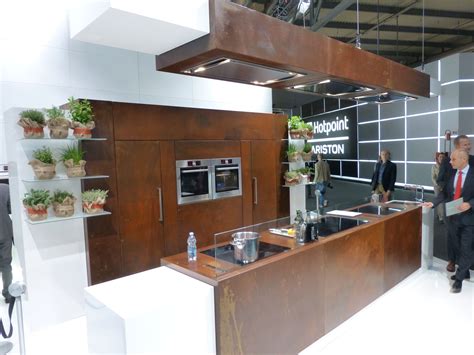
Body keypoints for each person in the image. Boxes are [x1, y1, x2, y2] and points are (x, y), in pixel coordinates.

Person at [423, 149, 474, 293]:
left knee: (466, 247)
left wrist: (470, 204)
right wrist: (433, 204)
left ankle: (459, 280)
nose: (449, 162)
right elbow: (444, 194)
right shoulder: (452, 174)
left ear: (463, 159)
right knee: (457, 246)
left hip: (469, 218)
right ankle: (465, 271)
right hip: (453, 217)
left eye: (453, 159)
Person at [436, 134, 474, 272]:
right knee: (452, 234)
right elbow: (440, 180)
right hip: (451, 204)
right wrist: (451, 188)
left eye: (469, 144)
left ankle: (467, 264)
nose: (469, 146)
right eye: (465, 144)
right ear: (457, 147)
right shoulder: (447, 162)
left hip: (468, 206)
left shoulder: (472, 160)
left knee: (468, 235)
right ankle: (452, 260)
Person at [0, 184, 13, 303]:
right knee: (6, 266)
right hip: (4, 231)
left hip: (5, 232)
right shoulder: (5, 188)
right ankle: (8, 294)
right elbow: (11, 209)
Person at [431, 152, 445, 223]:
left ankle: (441, 214)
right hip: (437, 186)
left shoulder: (446, 166)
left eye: (443, 157)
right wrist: (437, 185)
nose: (441, 158)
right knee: (439, 201)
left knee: (444, 201)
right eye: (440, 157)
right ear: (437, 158)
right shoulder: (434, 167)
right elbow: (433, 177)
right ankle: (441, 217)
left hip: (444, 186)